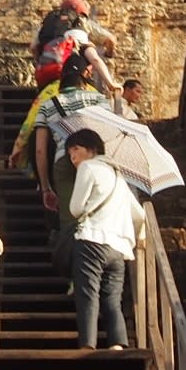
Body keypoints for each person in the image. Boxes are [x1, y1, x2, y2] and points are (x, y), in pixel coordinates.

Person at [27, 52, 111, 273]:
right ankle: (98, 267)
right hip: (95, 160)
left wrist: (45, 186)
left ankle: (74, 272)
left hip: (64, 161)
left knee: (70, 216)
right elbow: (110, 133)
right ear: (85, 76)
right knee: (96, 210)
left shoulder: (47, 105)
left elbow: (39, 149)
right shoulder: (99, 100)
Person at [62, 129, 138, 350]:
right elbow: (139, 215)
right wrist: (138, 237)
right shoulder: (118, 176)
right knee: (112, 299)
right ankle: (117, 344)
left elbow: (75, 208)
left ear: (92, 149)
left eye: (76, 149)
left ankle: (88, 344)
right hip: (118, 247)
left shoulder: (89, 167)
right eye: (69, 153)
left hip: (91, 240)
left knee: (88, 293)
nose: (72, 156)